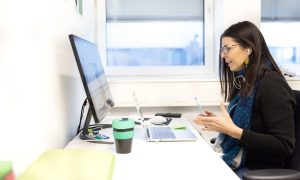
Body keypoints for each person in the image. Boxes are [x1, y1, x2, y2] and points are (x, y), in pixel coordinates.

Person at [193, 21, 297, 178]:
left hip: (257, 171)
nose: (222, 55)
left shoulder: (271, 84)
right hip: (241, 164)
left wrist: (234, 131)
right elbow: (247, 128)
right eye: (222, 49)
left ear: (248, 48)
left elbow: (284, 145)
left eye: (227, 48)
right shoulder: (246, 81)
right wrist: (221, 125)